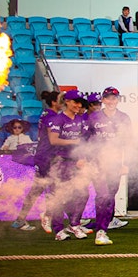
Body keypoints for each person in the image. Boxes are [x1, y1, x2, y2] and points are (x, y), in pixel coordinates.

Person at [84, 87, 131, 245]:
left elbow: (129, 143)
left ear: (118, 100)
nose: (111, 101)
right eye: (108, 98)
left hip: (115, 163)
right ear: (103, 100)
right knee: (102, 195)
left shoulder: (124, 118)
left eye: (114, 98)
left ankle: (103, 227)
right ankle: (101, 230)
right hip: (98, 162)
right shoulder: (94, 117)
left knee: (110, 196)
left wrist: (126, 164)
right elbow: (85, 141)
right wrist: (86, 160)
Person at [13, 90, 62, 232]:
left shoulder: (46, 114)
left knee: (37, 189)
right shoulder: (52, 117)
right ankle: (47, 216)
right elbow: (53, 138)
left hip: (43, 155)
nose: (64, 103)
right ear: (54, 102)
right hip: (48, 156)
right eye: (61, 100)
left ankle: (21, 219)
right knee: (51, 188)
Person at [48, 90, 91, 241]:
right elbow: (53, 140)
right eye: (75, 102)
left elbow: (84, 142)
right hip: (59, 161)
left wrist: (83, 157)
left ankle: (74, 224)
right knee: (60, 195)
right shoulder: (58, 119)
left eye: (80, 103)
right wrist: (73, 142)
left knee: (83, 193)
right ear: (67, 101)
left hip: (75, 162)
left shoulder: (80, 120)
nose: (78, 105)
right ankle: (58, 230)